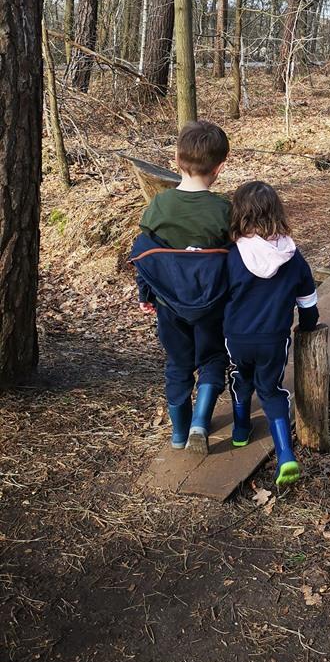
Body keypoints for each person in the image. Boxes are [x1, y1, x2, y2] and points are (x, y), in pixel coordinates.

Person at [131, 120, 231, 454]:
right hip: (212, 304)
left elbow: (145, 254)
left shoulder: (159, 206)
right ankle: (202, 421)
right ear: (219, 168)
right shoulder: (223, 211)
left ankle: (179, 433)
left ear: (176, 159)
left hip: (169, 305)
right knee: (213, 357)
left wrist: (146, 295)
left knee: (177, 363)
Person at [225, 180, 319, 487]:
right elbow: (307, 297)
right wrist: (308, 324)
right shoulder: (292, 256)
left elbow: (219, 295)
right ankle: (285, 455)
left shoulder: (231, 255)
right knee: (270, 390)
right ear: (276, 212)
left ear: (238, 213)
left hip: (237, 337)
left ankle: (240, 431)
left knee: (241, 378)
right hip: (274, 339)